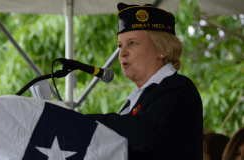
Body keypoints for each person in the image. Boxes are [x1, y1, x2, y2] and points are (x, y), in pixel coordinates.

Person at [84, 3, 203, 160]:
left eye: (132, 43)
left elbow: (144, 135)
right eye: (120, 45)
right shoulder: (139, 97)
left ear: (163, 49)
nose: (122, 53)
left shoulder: (179, 88)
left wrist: (85, 121)